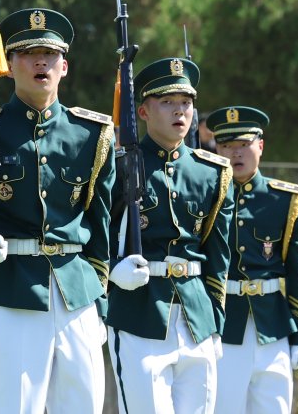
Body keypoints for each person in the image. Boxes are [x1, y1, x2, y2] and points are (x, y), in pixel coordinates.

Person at [0, 8, 115, 413]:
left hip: (77, 295)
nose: (40, 61)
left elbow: (103, 226)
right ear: (8, 65)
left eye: (49, 54)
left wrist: (101, 300)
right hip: (12, 290)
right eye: (28, 53)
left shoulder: (92, 135)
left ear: (64, 66)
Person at [106, 57, 234, 414]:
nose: (180, 111)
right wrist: (112, 273)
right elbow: (96, 235)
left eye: (187, 103)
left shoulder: (212, 173)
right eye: (167, 102)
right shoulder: (119, 166)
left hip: (197, 317)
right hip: (139, 312)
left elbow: (217, 253)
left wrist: (216, 322)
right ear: (143, 112)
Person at [208, 106, 298, 414]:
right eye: (226, 145)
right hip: (225, 328)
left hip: (274, 327)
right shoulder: (207, 195)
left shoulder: (285, 201)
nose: (235, 152)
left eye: (243, 144)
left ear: (260, 146)